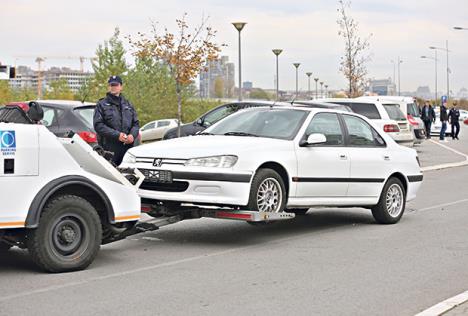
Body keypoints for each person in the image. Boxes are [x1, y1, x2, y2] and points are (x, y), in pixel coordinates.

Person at [93, 75, 140, 165]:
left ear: (121, 86)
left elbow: (136, 124)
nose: (113, 87)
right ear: (109, 87)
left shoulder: (128, 104)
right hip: (109, 149)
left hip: (127, 149)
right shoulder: (101, 104)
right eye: (111, 85)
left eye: (116, 85)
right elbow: (98, 125)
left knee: (127, 175)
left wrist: (132, 136)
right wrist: (117, 135)